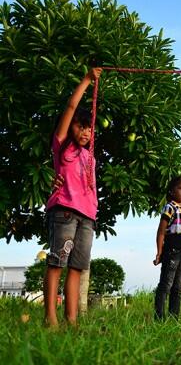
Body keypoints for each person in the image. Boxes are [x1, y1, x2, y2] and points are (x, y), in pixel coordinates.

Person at [43, 67, 102, 327]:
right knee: (57, 262)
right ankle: (51, 318)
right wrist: (88, 80)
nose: (86, 132)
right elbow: (71, 106)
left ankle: (72, 320)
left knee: (77, 268)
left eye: (89, 129)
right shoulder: (62, 146)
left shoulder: (90, 157)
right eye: (81, 126)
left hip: (87, 217)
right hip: (64, 210)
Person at [153, 176, 181, 320]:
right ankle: (159, 317)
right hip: (172, 249)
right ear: (172, 190)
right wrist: (159, 252)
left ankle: (174, 317)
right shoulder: (170, 207)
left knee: (178, 286)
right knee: (166, 284)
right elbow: (161, 231)